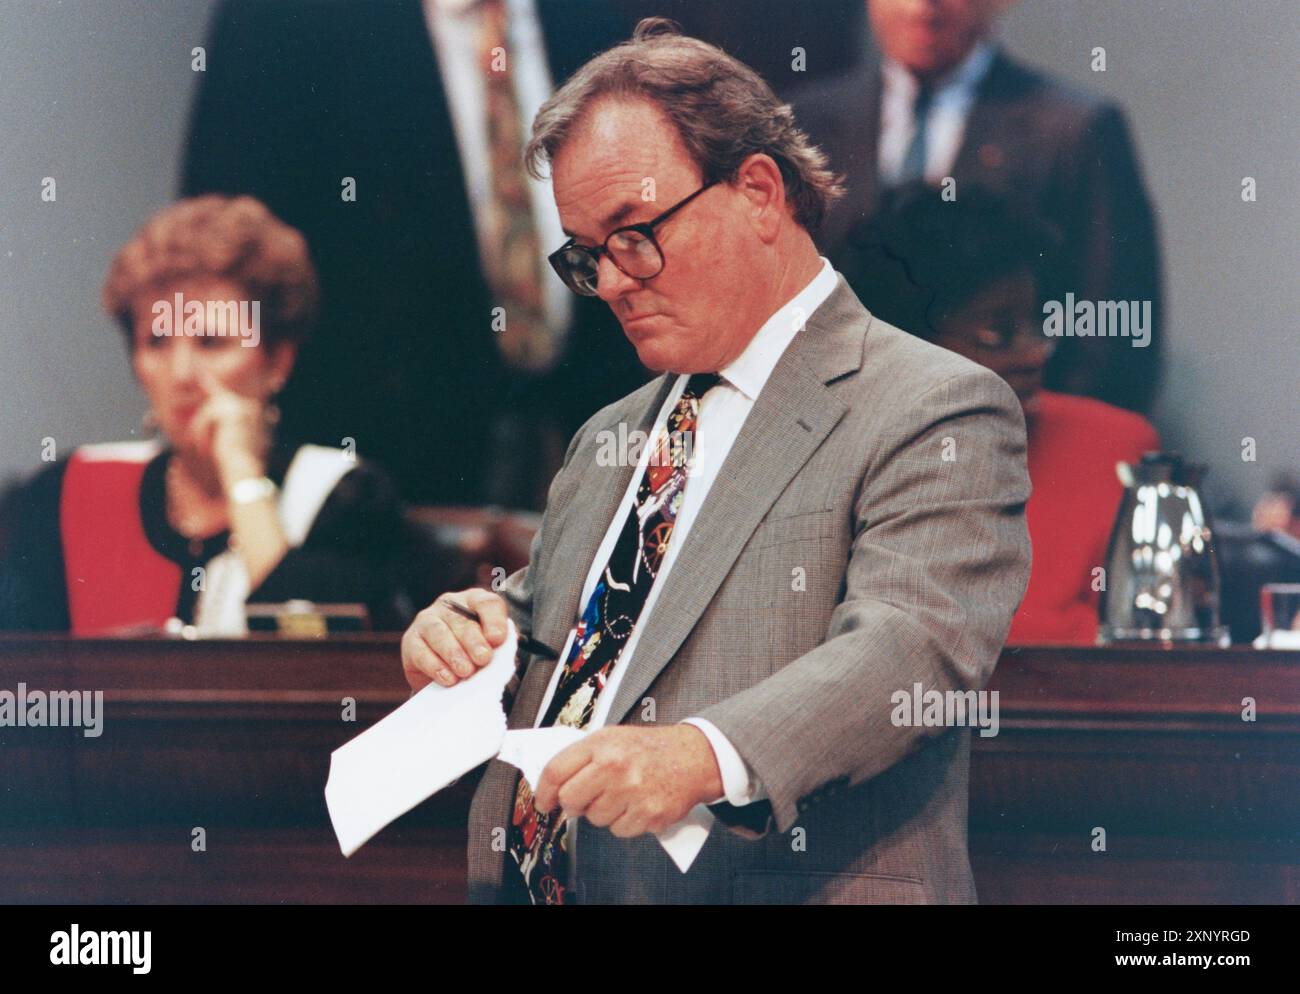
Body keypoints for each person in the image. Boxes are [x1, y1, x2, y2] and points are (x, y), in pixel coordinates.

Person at [401, 19, 1031, 905]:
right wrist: (471, 631)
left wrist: (700, 755)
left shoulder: (932, 405)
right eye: (587, 252)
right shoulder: (609, 434)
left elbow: (910, 653)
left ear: (760, 192)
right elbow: (571, 634)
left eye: (634, 231)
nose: (614, 279)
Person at [181, 0, 652, 508]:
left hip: (589, 449)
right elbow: (224, 252)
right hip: (374, 478)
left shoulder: (592, 18)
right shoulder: (284, 18)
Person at [0, 195, 410, 635]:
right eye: (157, 342)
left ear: (277, 361)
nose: (181, 374)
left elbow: (320, 661)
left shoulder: (343, 494)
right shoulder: (69, 491)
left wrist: (242, 476)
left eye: (211, 342)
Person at [791, 0, 1164, 414]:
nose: (922, 7)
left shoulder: (1073, 129)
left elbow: (1117, 324)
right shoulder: (808, 121)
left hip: (1023, 435)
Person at [837, 182, 1160, 644]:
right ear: (902, 343)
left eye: (1037, 326)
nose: (1036, 353)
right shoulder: (843, 448)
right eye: (997, 334)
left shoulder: (1113, 444)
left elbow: (1131, 646)